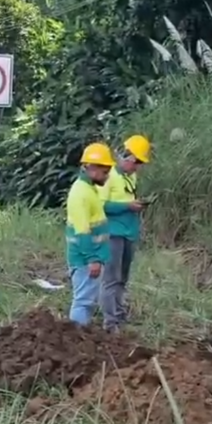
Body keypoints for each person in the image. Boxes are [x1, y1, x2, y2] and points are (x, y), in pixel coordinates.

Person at [100, 134, 152, 331]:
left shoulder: (131, 176)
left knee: (123, 277)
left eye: (140, 163)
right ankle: (109, 321)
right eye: (136, 162)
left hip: (129, 232)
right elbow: (101, 205)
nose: (137, 166)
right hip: (112, 233)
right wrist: (127, 206)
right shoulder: (108, 176)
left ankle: (120, 315)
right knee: (111, 278)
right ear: (126, 156)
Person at [66, 142, 116, 326]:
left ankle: (77, 340)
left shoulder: (89, 189)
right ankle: (76, 339)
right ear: (92, 168)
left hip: (90, 257)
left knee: (86, 301)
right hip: (85, 259)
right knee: (83, 302)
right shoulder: (81, 193)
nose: (107, 175)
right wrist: (92, 259)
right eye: (105, 171)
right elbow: (81, 232)